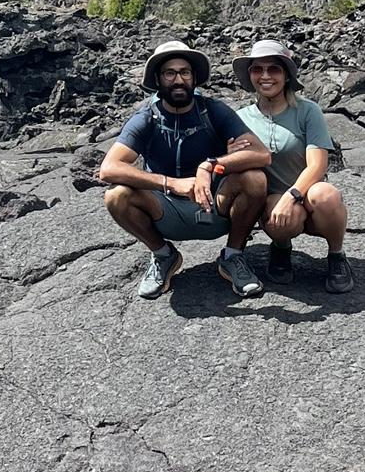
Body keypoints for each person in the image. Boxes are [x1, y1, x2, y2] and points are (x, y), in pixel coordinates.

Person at [99, 40, 271, 299]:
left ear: (194, 78)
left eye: (185, 72)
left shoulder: (213, 111)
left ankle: (233, 256)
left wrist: (210, 165)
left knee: (255, 179)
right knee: (116, 195)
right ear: (158, 79)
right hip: (165, 209)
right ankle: (163, 255)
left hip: (214, 205)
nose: (178, 79)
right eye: (170, 73)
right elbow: (109, 168)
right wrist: (171, 183)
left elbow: (261, 154)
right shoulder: (146, 118)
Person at [231, 39, 354, 294]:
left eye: (274, 69)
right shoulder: (241, 119)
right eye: (257, 69)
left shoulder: (307, 111)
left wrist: (292, 195)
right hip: (273, 201)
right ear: (250, 75)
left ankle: (336, 256)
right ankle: (281, 247)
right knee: (279, 218)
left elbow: (317, 164)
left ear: (287, 75)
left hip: (308, 193)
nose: (265, 76)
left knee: (326, 195)